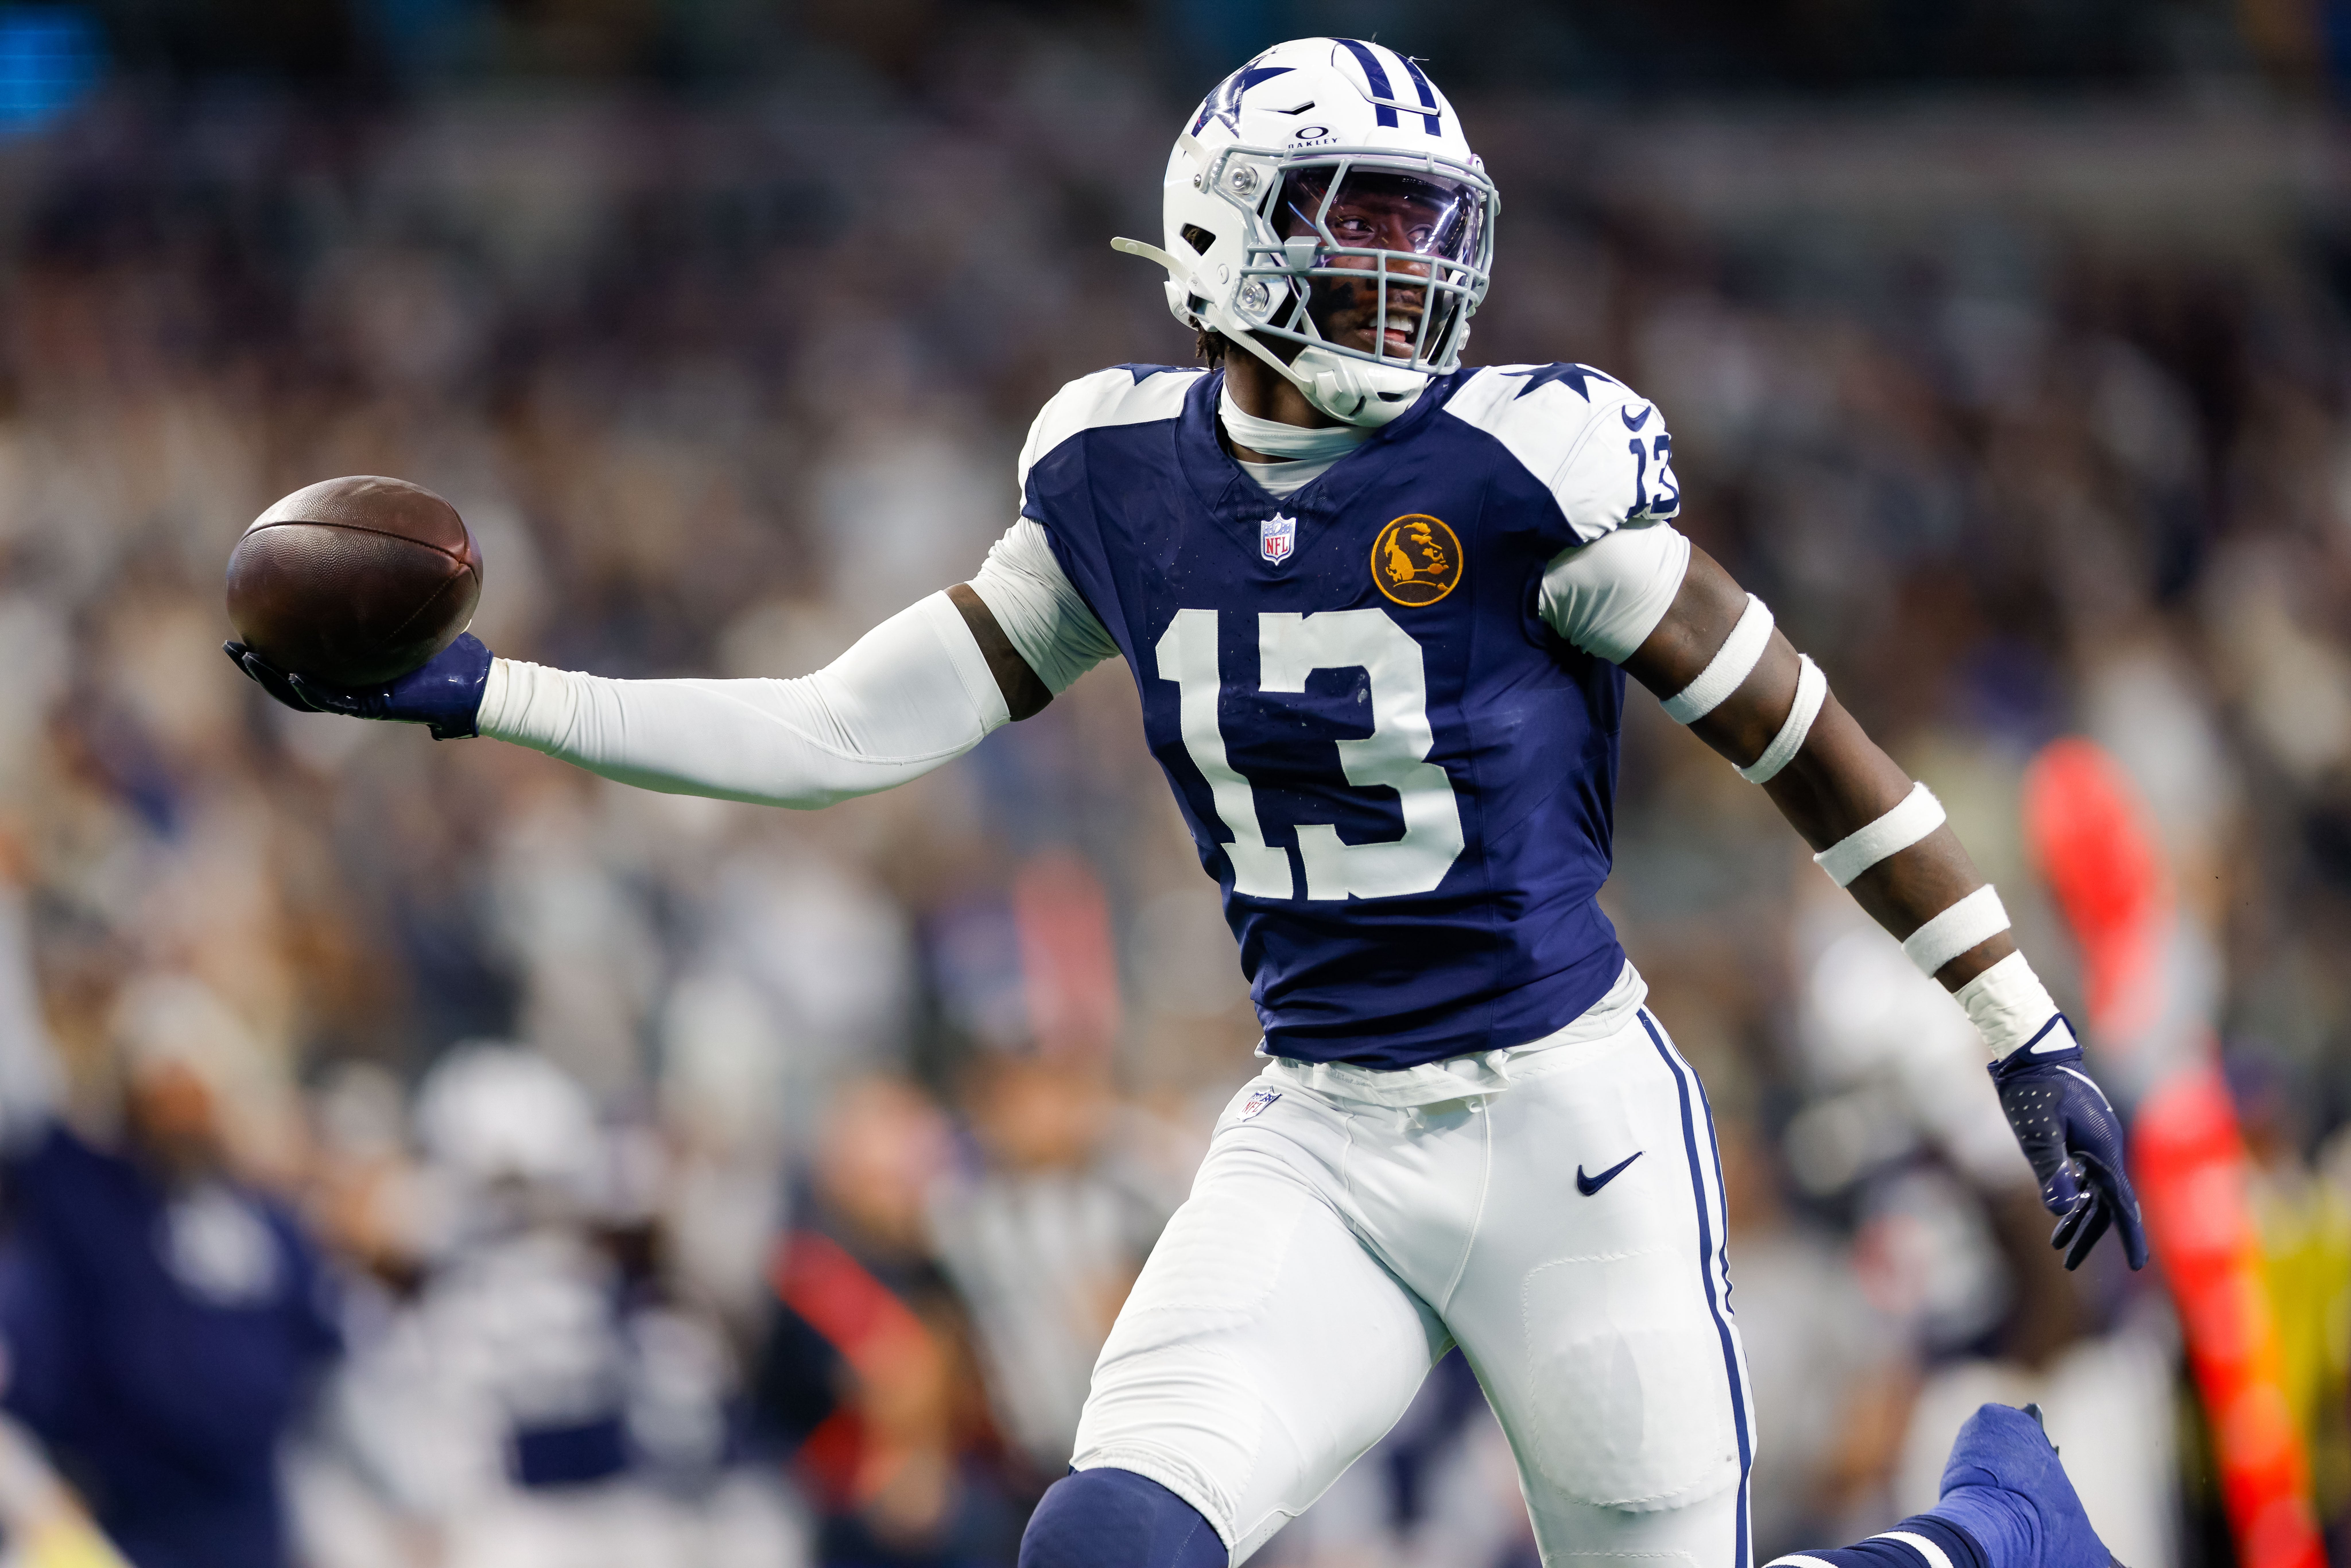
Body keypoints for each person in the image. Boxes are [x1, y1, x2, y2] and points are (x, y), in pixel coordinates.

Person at [228, 36, 2145, 1568]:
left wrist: (2020, 1026)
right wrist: (489, 693)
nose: (1411, 267)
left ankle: (1987, 1534)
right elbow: (836, 729)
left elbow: (1811, 741)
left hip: (1573, 1134)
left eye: (1429, 223)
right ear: (1229, 238)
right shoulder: (1117, 476)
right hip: (1319, 1129)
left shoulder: (1530, 468)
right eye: (1359, 219)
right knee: (1107, 1536)